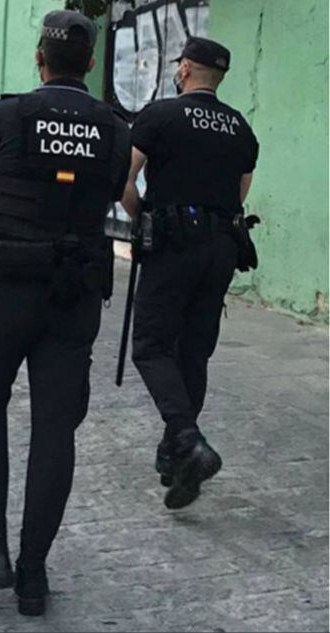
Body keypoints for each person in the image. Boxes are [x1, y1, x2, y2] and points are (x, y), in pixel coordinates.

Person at [0, 11, 131, 617]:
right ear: (92, 64)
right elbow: (105, 192)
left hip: (8, 282)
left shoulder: (10, 114)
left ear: (38, 57)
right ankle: (31, 574)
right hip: (75, 291)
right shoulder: (112, 126)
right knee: (56, 429)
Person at [121, 36, 259, 510]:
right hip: (221, 246)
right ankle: (175, 456)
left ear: (184, 69)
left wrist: (142, 216)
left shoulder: (160, 115)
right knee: (194, 350)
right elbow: (239, 195)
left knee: (151, 345)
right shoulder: (241, 128)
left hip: (173, 243)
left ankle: (186, 438)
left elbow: (126, 177)